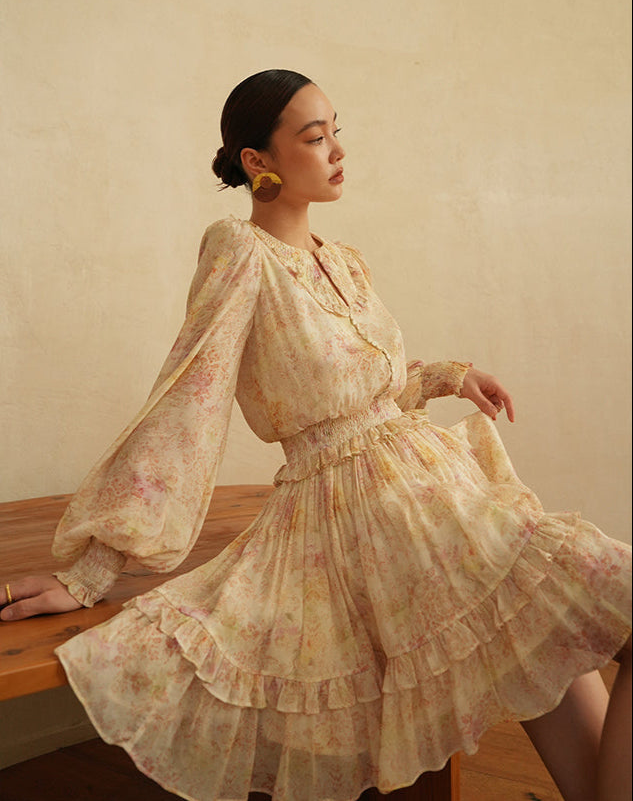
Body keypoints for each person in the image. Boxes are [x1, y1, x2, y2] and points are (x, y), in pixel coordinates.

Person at [1, 70, 631, 801]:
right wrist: (90, 571)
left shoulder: (344, 260)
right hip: (377, 520)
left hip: (435, 494)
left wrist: (447, 377)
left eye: (336, 131)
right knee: (560, 633)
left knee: (552, 646)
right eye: (313, 137)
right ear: (257, 161)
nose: (337, 150)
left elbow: (355, 388)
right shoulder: (240, 252)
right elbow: (188, 403)